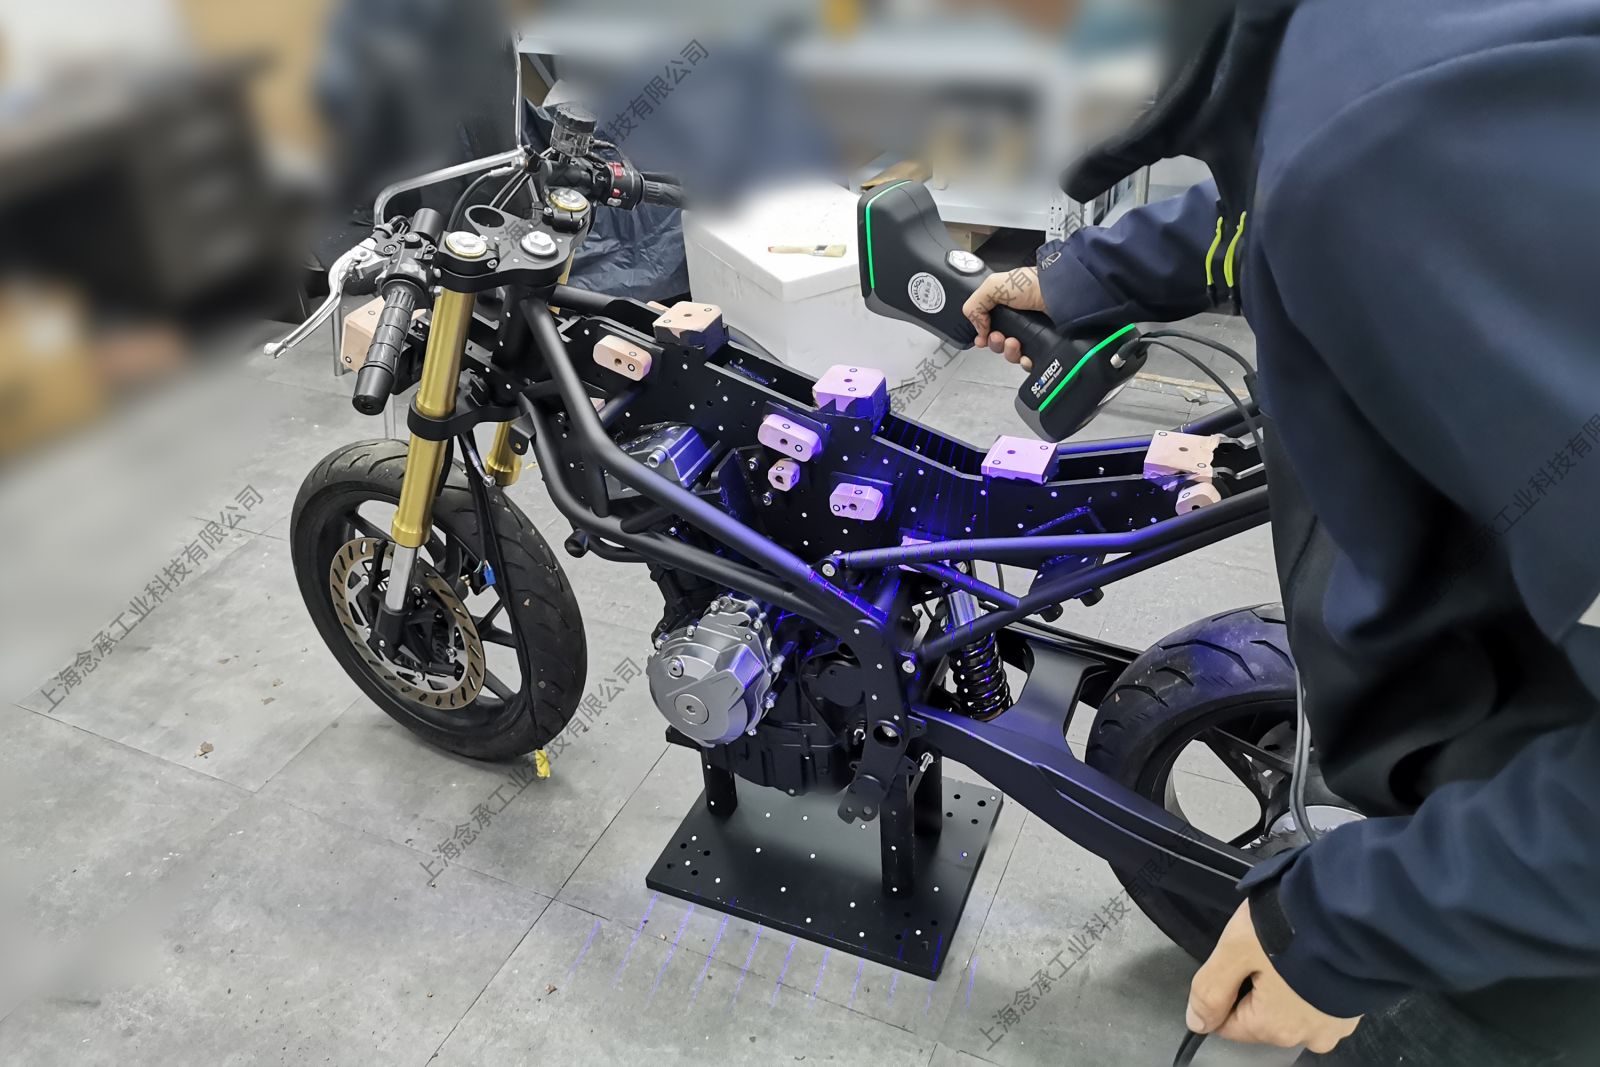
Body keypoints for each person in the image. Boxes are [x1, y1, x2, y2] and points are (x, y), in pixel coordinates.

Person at [964, 1, 1600, 1063]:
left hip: (1529, 926)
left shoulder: (1393, 148)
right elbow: (1300, 180)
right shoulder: (1360, 83)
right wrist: (1083, 278)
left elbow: (1378, 173)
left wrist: (1365, 920)